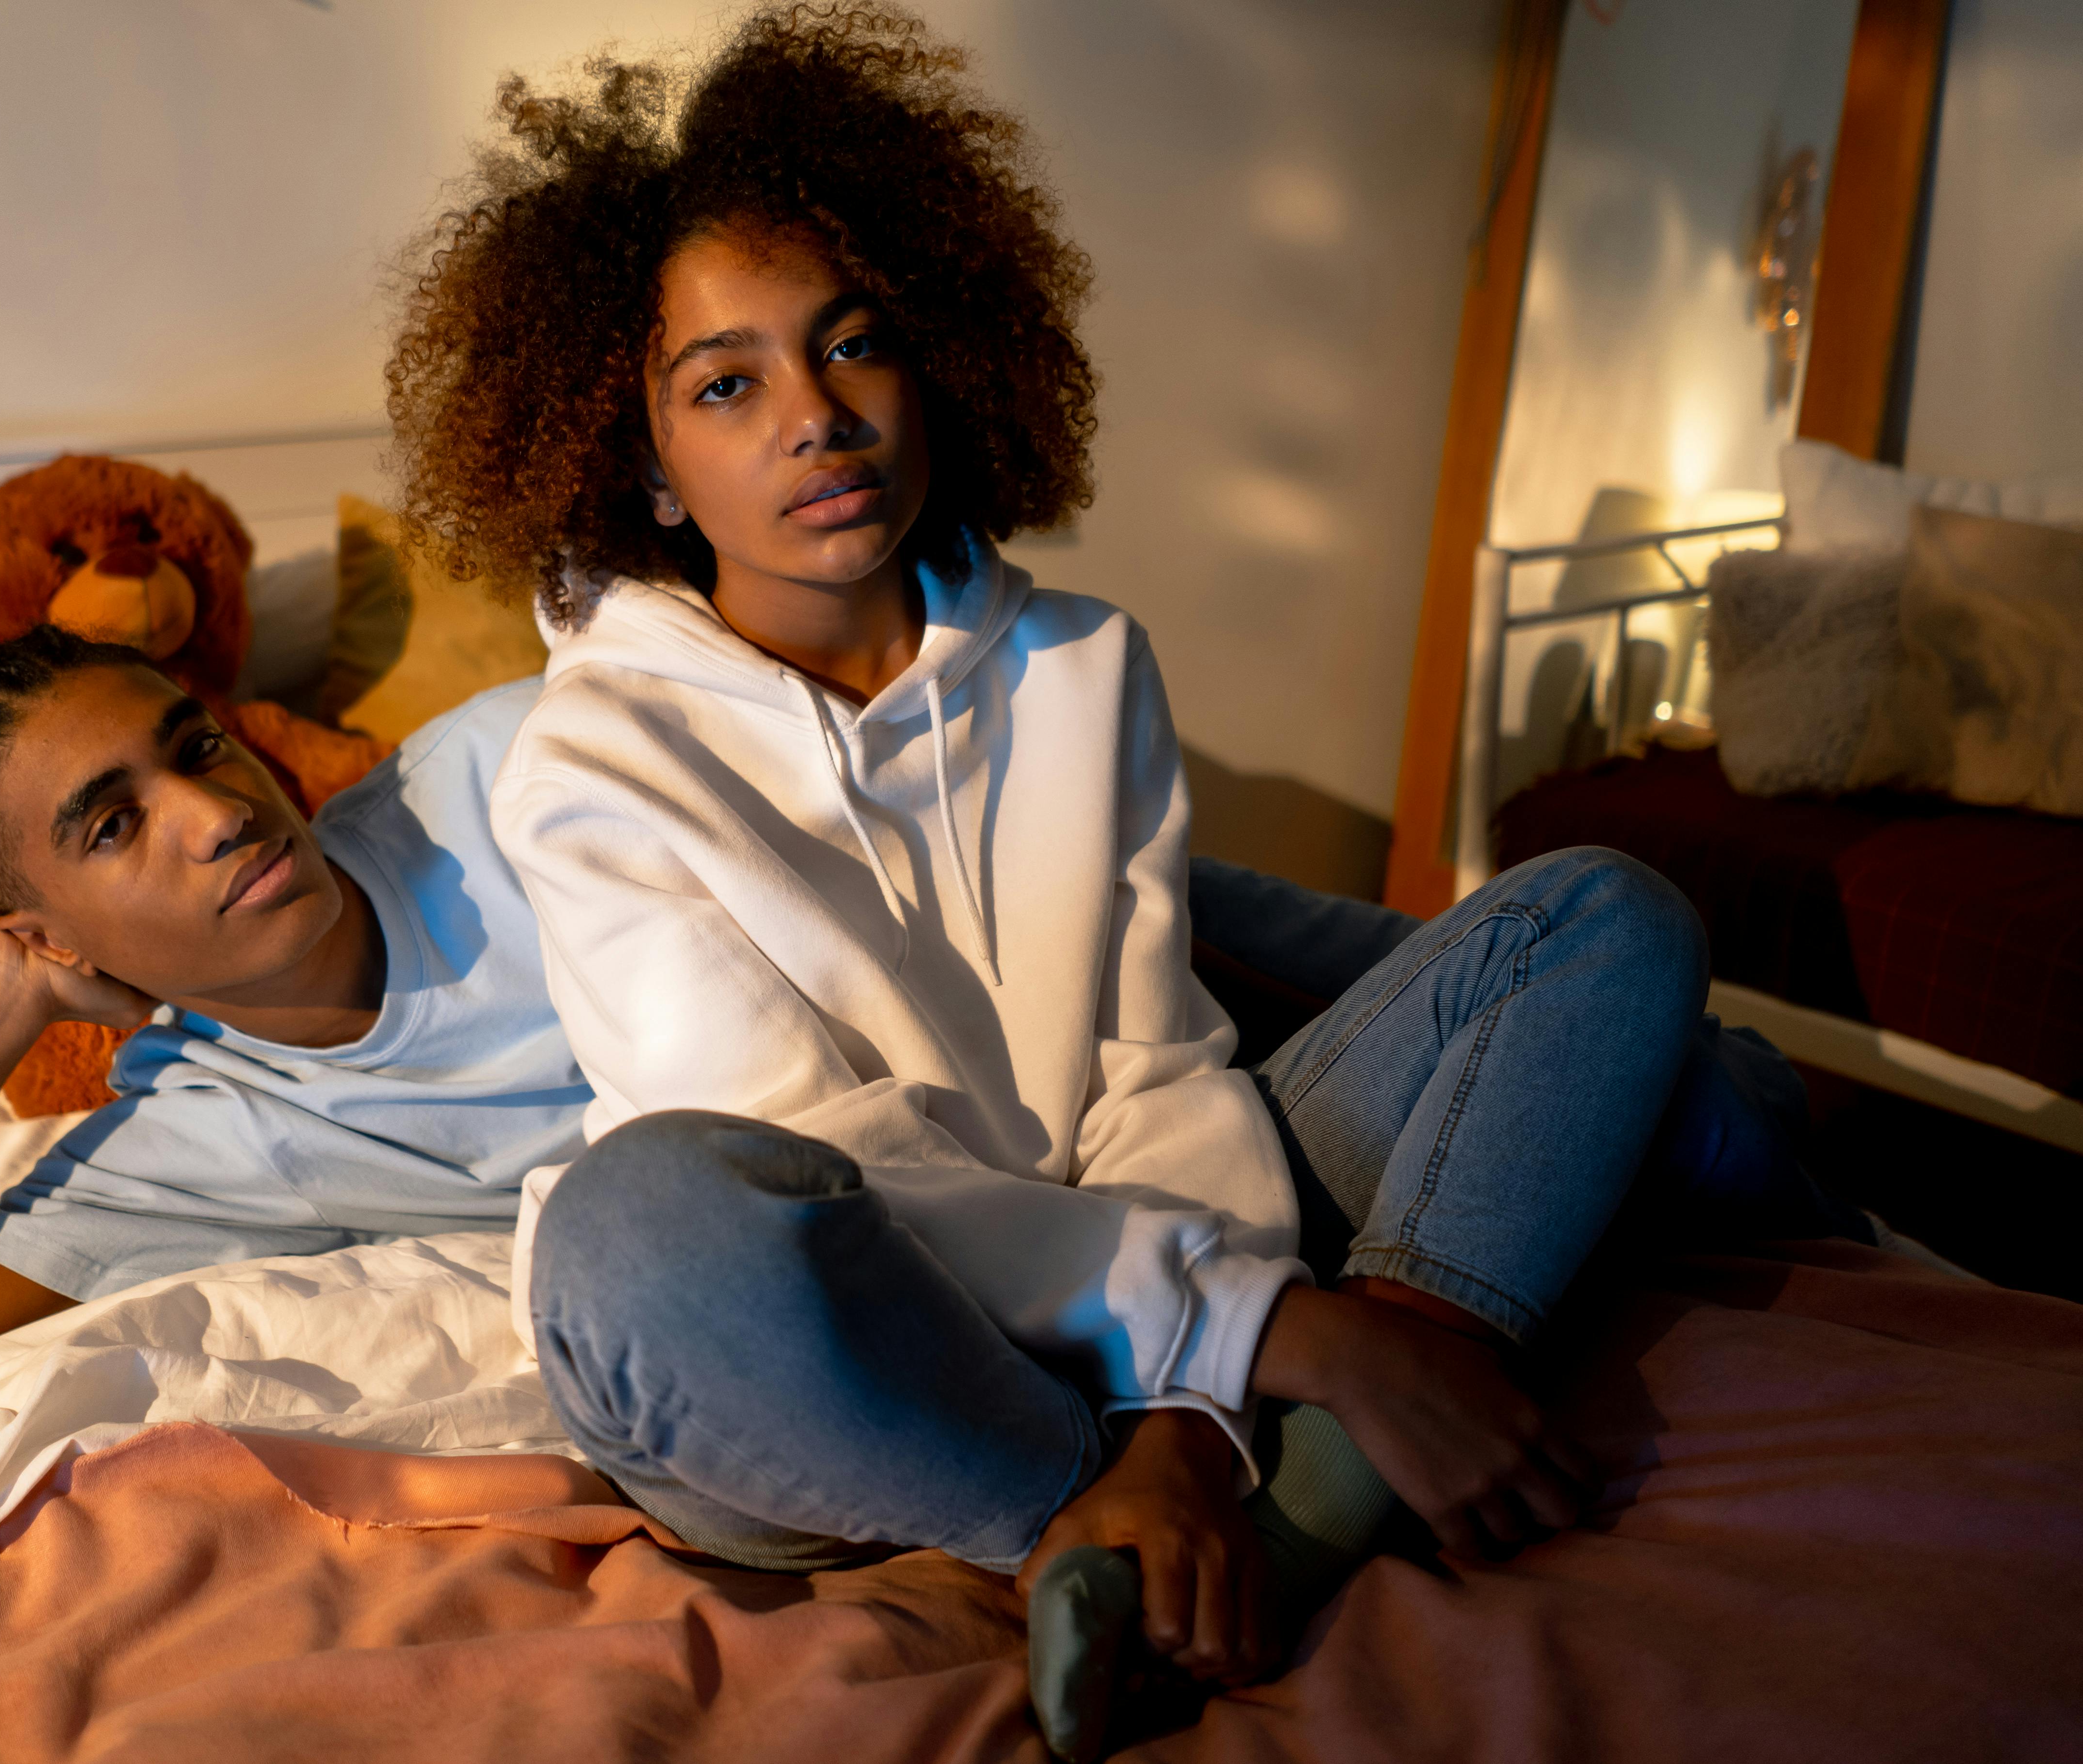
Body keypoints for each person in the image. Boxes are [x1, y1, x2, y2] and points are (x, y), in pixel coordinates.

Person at [384, 7, 1863, 1749]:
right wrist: (1279, 1340)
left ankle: (1250, 1517)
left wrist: (1205, 1406)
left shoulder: (1084, 665)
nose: (817, 419)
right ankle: (1072, 1509)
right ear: (643, 459)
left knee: (1605, 913)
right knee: (642, 1229)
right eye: (728, 383)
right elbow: (842, 1170)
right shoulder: (593, 762)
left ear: (933, 354)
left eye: (851, 345)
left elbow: (1163, 1069)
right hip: (851, 1356)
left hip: (1157, 1255)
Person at [0, 625, 588, 1419]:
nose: (221, 814)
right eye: (114, 826)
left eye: (197, 747)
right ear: (49, 939)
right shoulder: (202, 1143)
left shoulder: (524, 762)